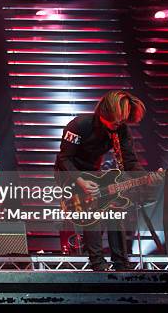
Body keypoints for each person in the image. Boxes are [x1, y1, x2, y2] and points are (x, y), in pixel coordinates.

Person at [54, 90, 161, 271]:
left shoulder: (121, 131)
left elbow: (130, 162)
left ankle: (121, 262)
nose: (118, 124)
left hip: (95, 174)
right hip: (68, 174)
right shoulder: (79, 125)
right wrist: (80, 181)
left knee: (117, 208)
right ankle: (98, 263)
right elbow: (64, 159)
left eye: (122, 120)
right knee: (93, 212)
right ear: (104, 112)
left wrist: (147, 177)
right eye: (115, 120)